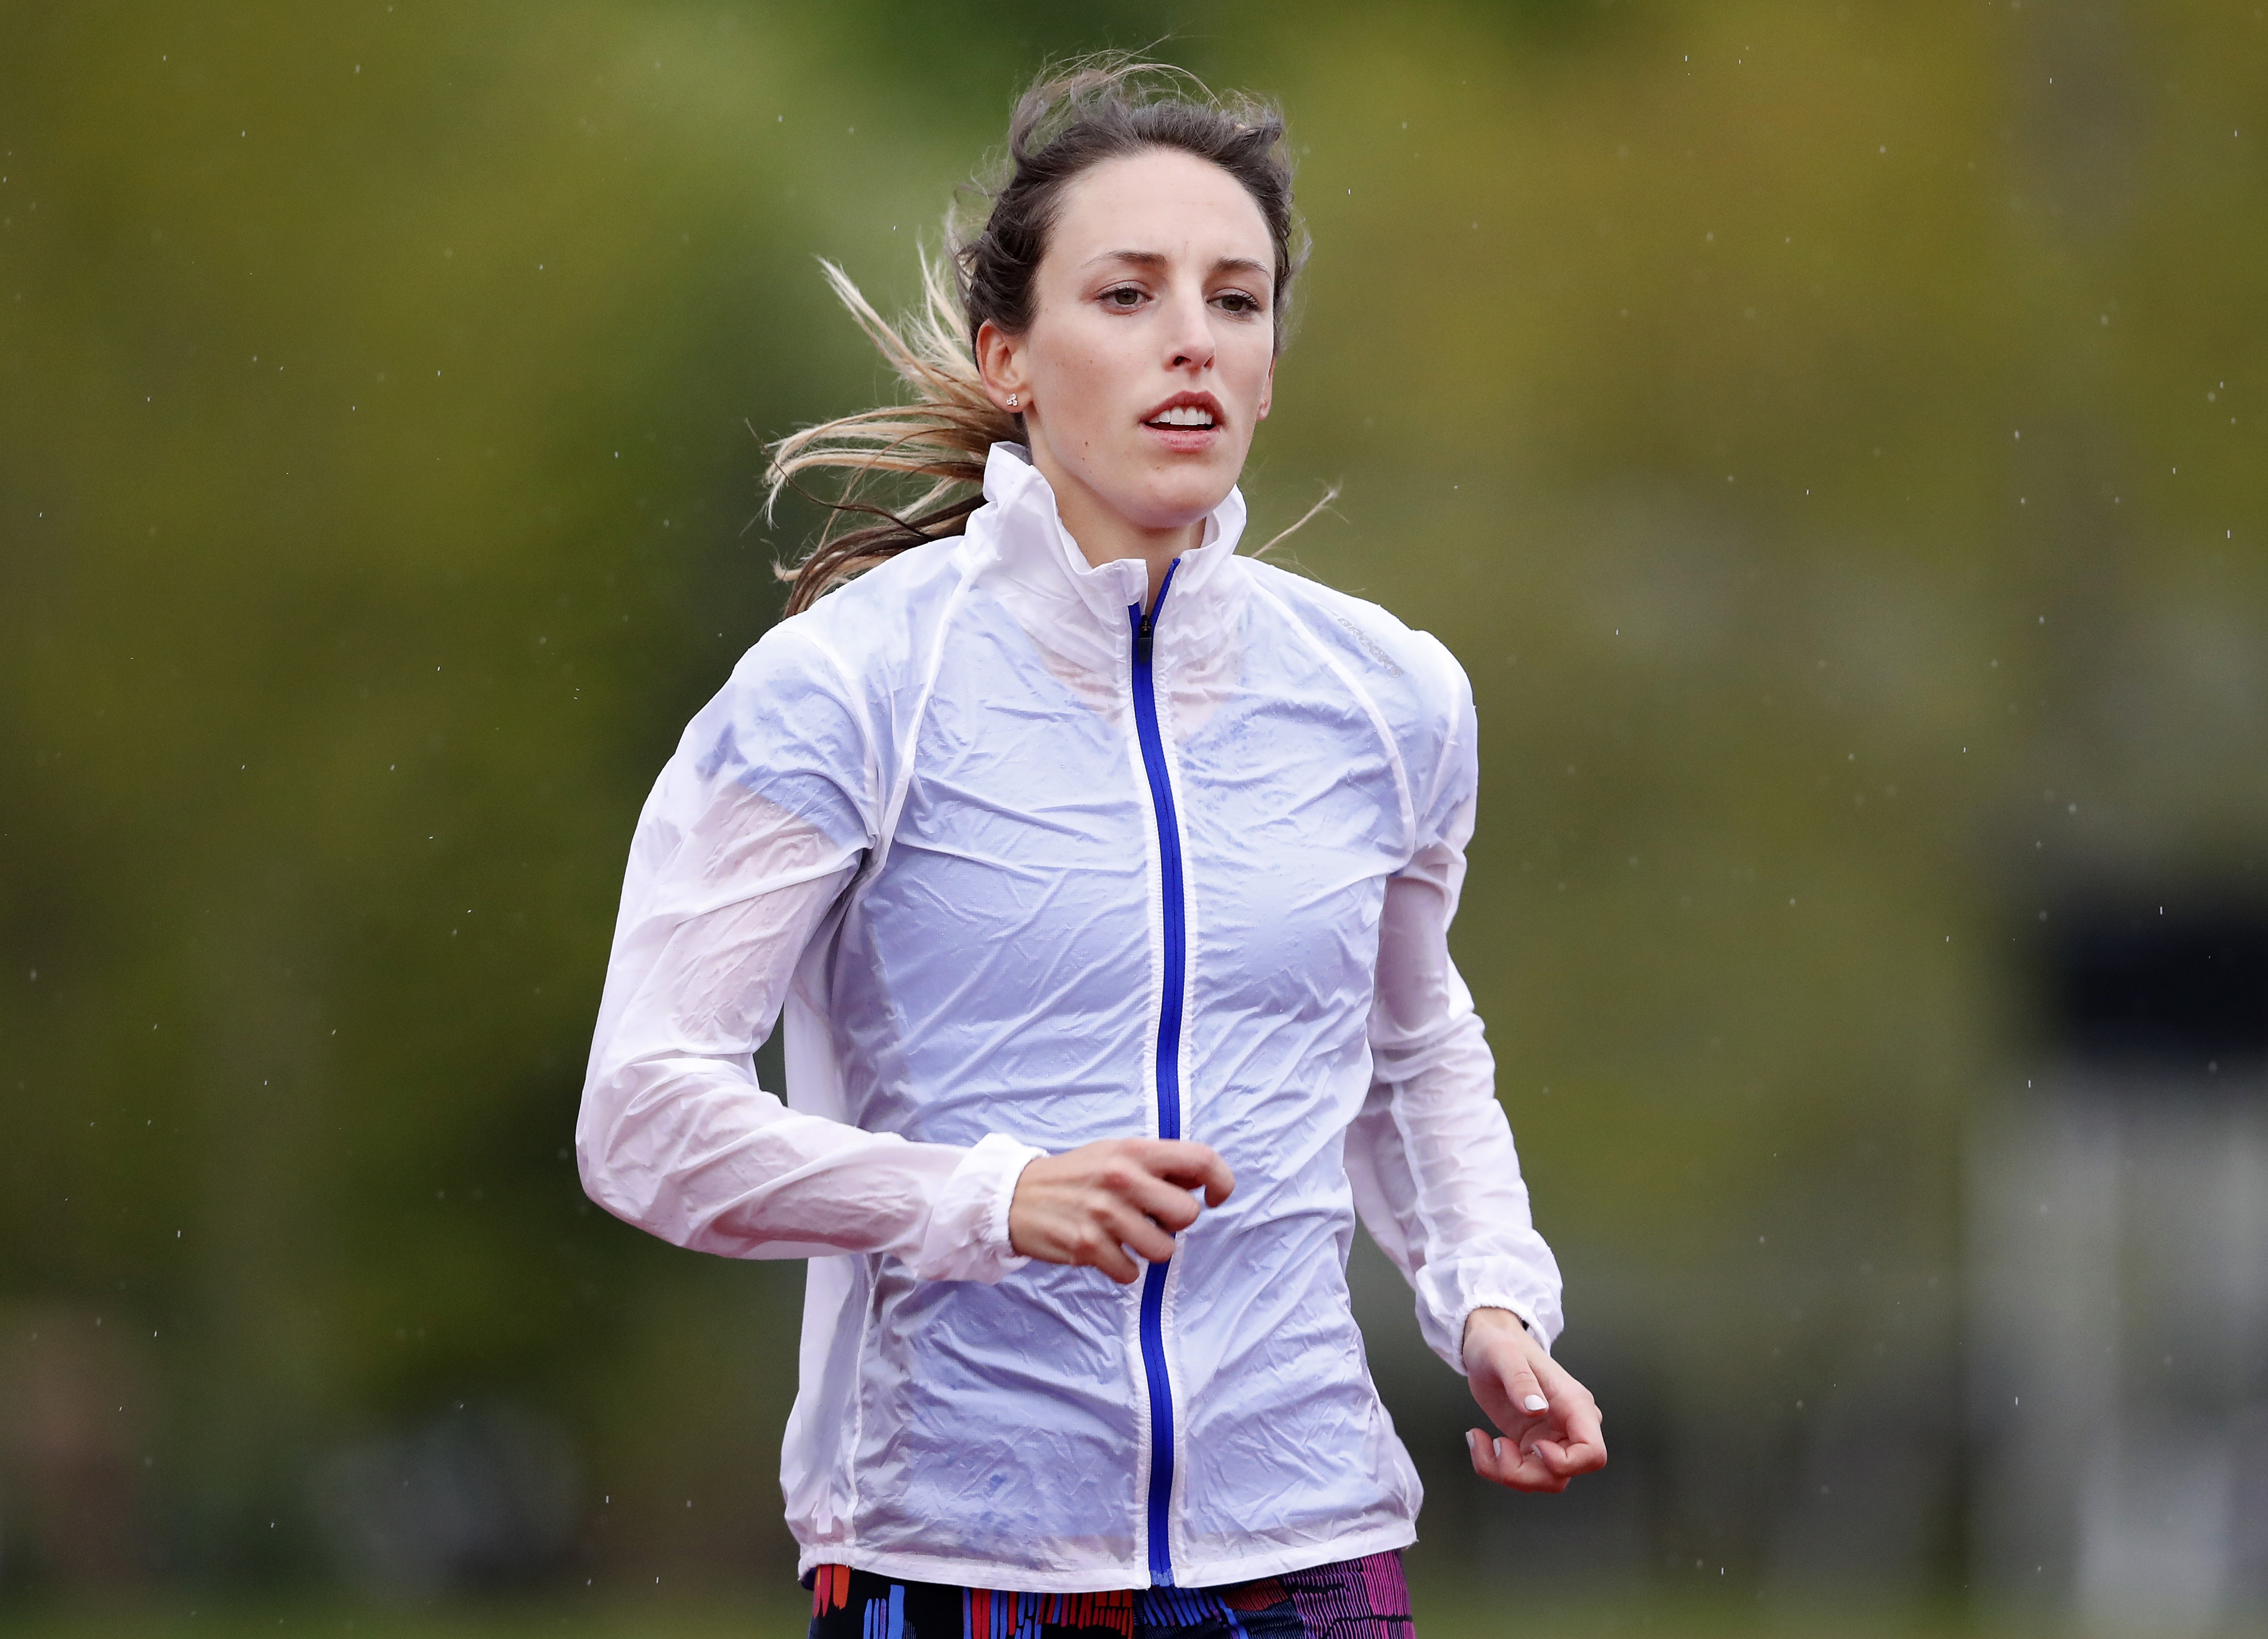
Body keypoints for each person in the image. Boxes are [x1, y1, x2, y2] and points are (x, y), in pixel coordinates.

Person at [576, 58, 1604, 1639]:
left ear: (1268, 369)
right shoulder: (844, 688)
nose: (1192, 336)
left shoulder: (1389, 696)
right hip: (957, 1560)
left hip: (1308, 1551)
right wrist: (985, 1202)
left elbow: (1407, 1053)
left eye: (1237, 300)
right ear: (1010, 357)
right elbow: (643, 1119)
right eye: (1125, 294)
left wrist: (1487, 1297)